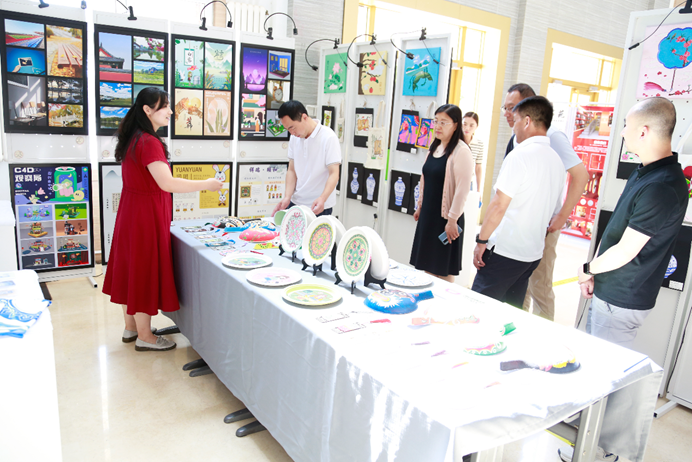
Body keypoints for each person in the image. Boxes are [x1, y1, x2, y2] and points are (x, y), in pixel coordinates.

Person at [560, 98, 688, 462]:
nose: (622, 134)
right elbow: (616, 231)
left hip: (623, 296)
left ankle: (600, 450)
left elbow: (628, 249)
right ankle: (587, 433)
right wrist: (594, 274)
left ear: (644, 131)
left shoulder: (664, 186)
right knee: (592, 367)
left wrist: (589, 269)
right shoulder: (645, 172)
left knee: (605, 376)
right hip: (608, 287)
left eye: (627, 127)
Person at [103, 87, 223, 352]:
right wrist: (207, 184)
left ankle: (132, 327)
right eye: (164, 106)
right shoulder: (148, 141)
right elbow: (167, 183)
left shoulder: (134, 137)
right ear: (148, 110)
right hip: (144, 216)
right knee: (143, 272)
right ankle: (145, 337)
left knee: (133, 269)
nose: (170, 111)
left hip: (132, 213)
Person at [502, 83, 589, 320]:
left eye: (512, 108)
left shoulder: (552, 136)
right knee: (519, 287)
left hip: (543, 226)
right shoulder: (517, 137)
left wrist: (562, 216)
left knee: (539, 287)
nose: (507, 113)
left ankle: (543, 338)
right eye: (505, 108)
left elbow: (581, 175)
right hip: (517, 225)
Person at [471, 96, 565, 306]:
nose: (513, 128)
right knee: (511, 310)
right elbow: (555, 208)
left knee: (479, 308)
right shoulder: (556, 161)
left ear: (527, 121)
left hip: (505, 250)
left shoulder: (519, 156)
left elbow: (498, 205)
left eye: (515, 121)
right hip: (532, 254)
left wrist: (481, 241)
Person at [410, 104, 474, 283]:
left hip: (446, 219)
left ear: (455, 125)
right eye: (436, 121)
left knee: (443, 269)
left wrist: (452, 220)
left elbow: (462, 190)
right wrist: (420, 206)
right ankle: (427, 299)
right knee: (427, 267)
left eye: (443, 122)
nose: (438, 126)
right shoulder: (435, 147)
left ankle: (442, 299)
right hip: (428, 216)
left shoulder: (461, 151)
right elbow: (425, 180)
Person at [272, 100, 341, 217]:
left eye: (292, 127)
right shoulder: (294, 138)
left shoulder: (328, 137)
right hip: (296, 203)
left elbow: (334, 173)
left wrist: (323, 198)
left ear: (304, 117)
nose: (291, 133)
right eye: (288, 129)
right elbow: (291, 170)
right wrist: (287, 197)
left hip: (318, 206)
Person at [462, 112, 484, 194]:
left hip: (468, 182)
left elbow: (478, 167)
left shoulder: (479, 144)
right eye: (464, 124)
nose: (467, 128)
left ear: (476, 127)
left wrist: (478, 190)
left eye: (471, 125)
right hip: (453, 180)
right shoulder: (455, 142)